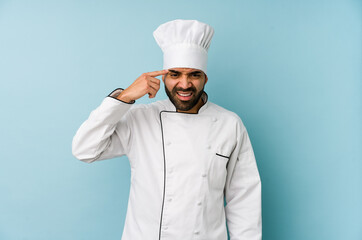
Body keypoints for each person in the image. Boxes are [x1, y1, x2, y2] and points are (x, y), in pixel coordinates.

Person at [72, 19, 262, 240]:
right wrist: (123, 98)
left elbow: (244, 199)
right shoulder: (140, 118)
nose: (184, 84)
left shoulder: (229, 124)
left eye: (194, 74)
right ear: (163, 78)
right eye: (175, 74)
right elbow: (84, 150)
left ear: (205, 78)